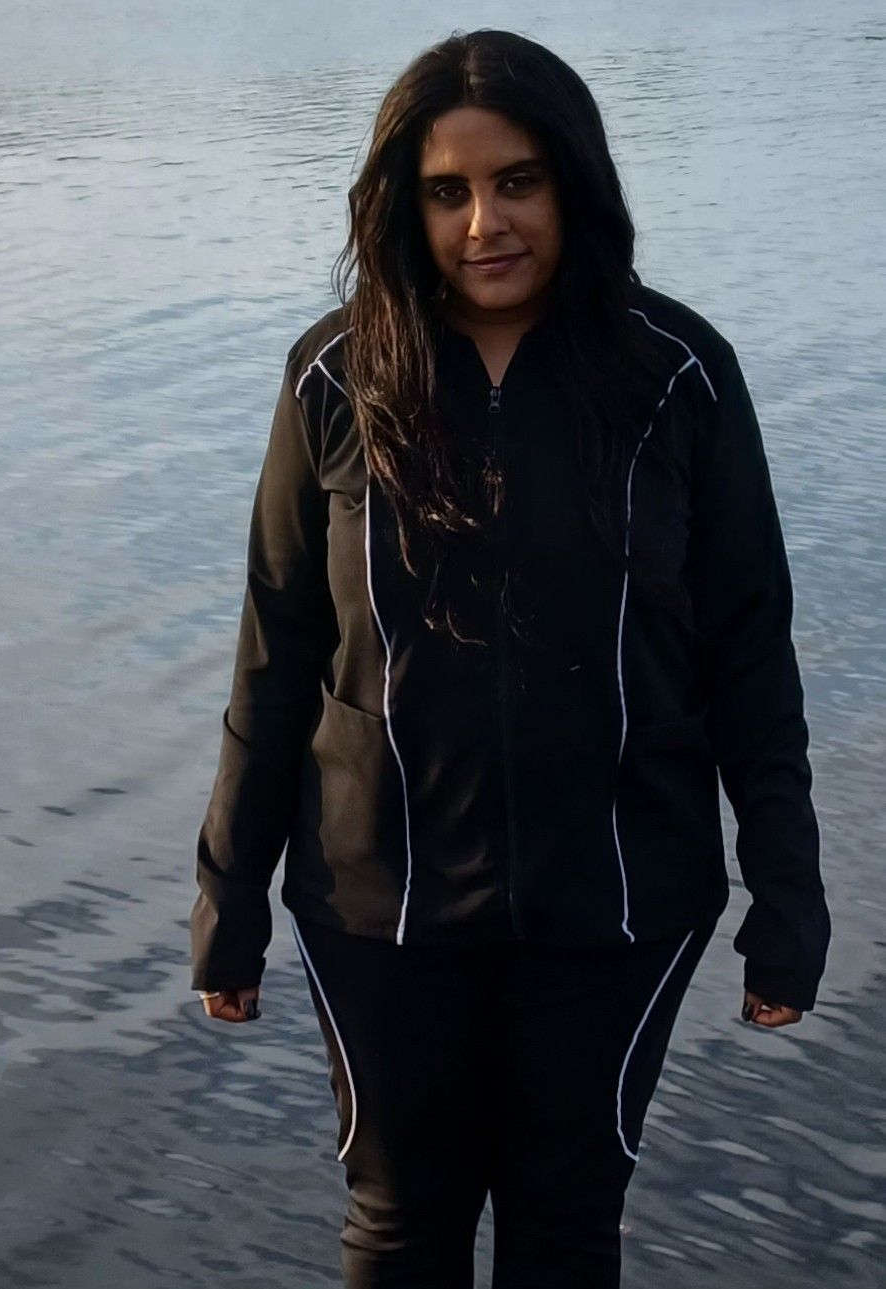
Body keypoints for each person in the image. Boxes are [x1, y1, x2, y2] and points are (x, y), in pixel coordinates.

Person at [189, 27, 832, 1288]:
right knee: (399, 1228)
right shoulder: (335, 377)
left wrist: (788, 897)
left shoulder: (676, 375)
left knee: (564, 1232)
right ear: (402, 205)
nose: (485, 220)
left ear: (573, 183)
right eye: (447, 190)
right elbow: (276, 654)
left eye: (518, 180)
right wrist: (227, 905)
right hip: (379, 900)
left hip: (619, 899)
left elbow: (751, 653)